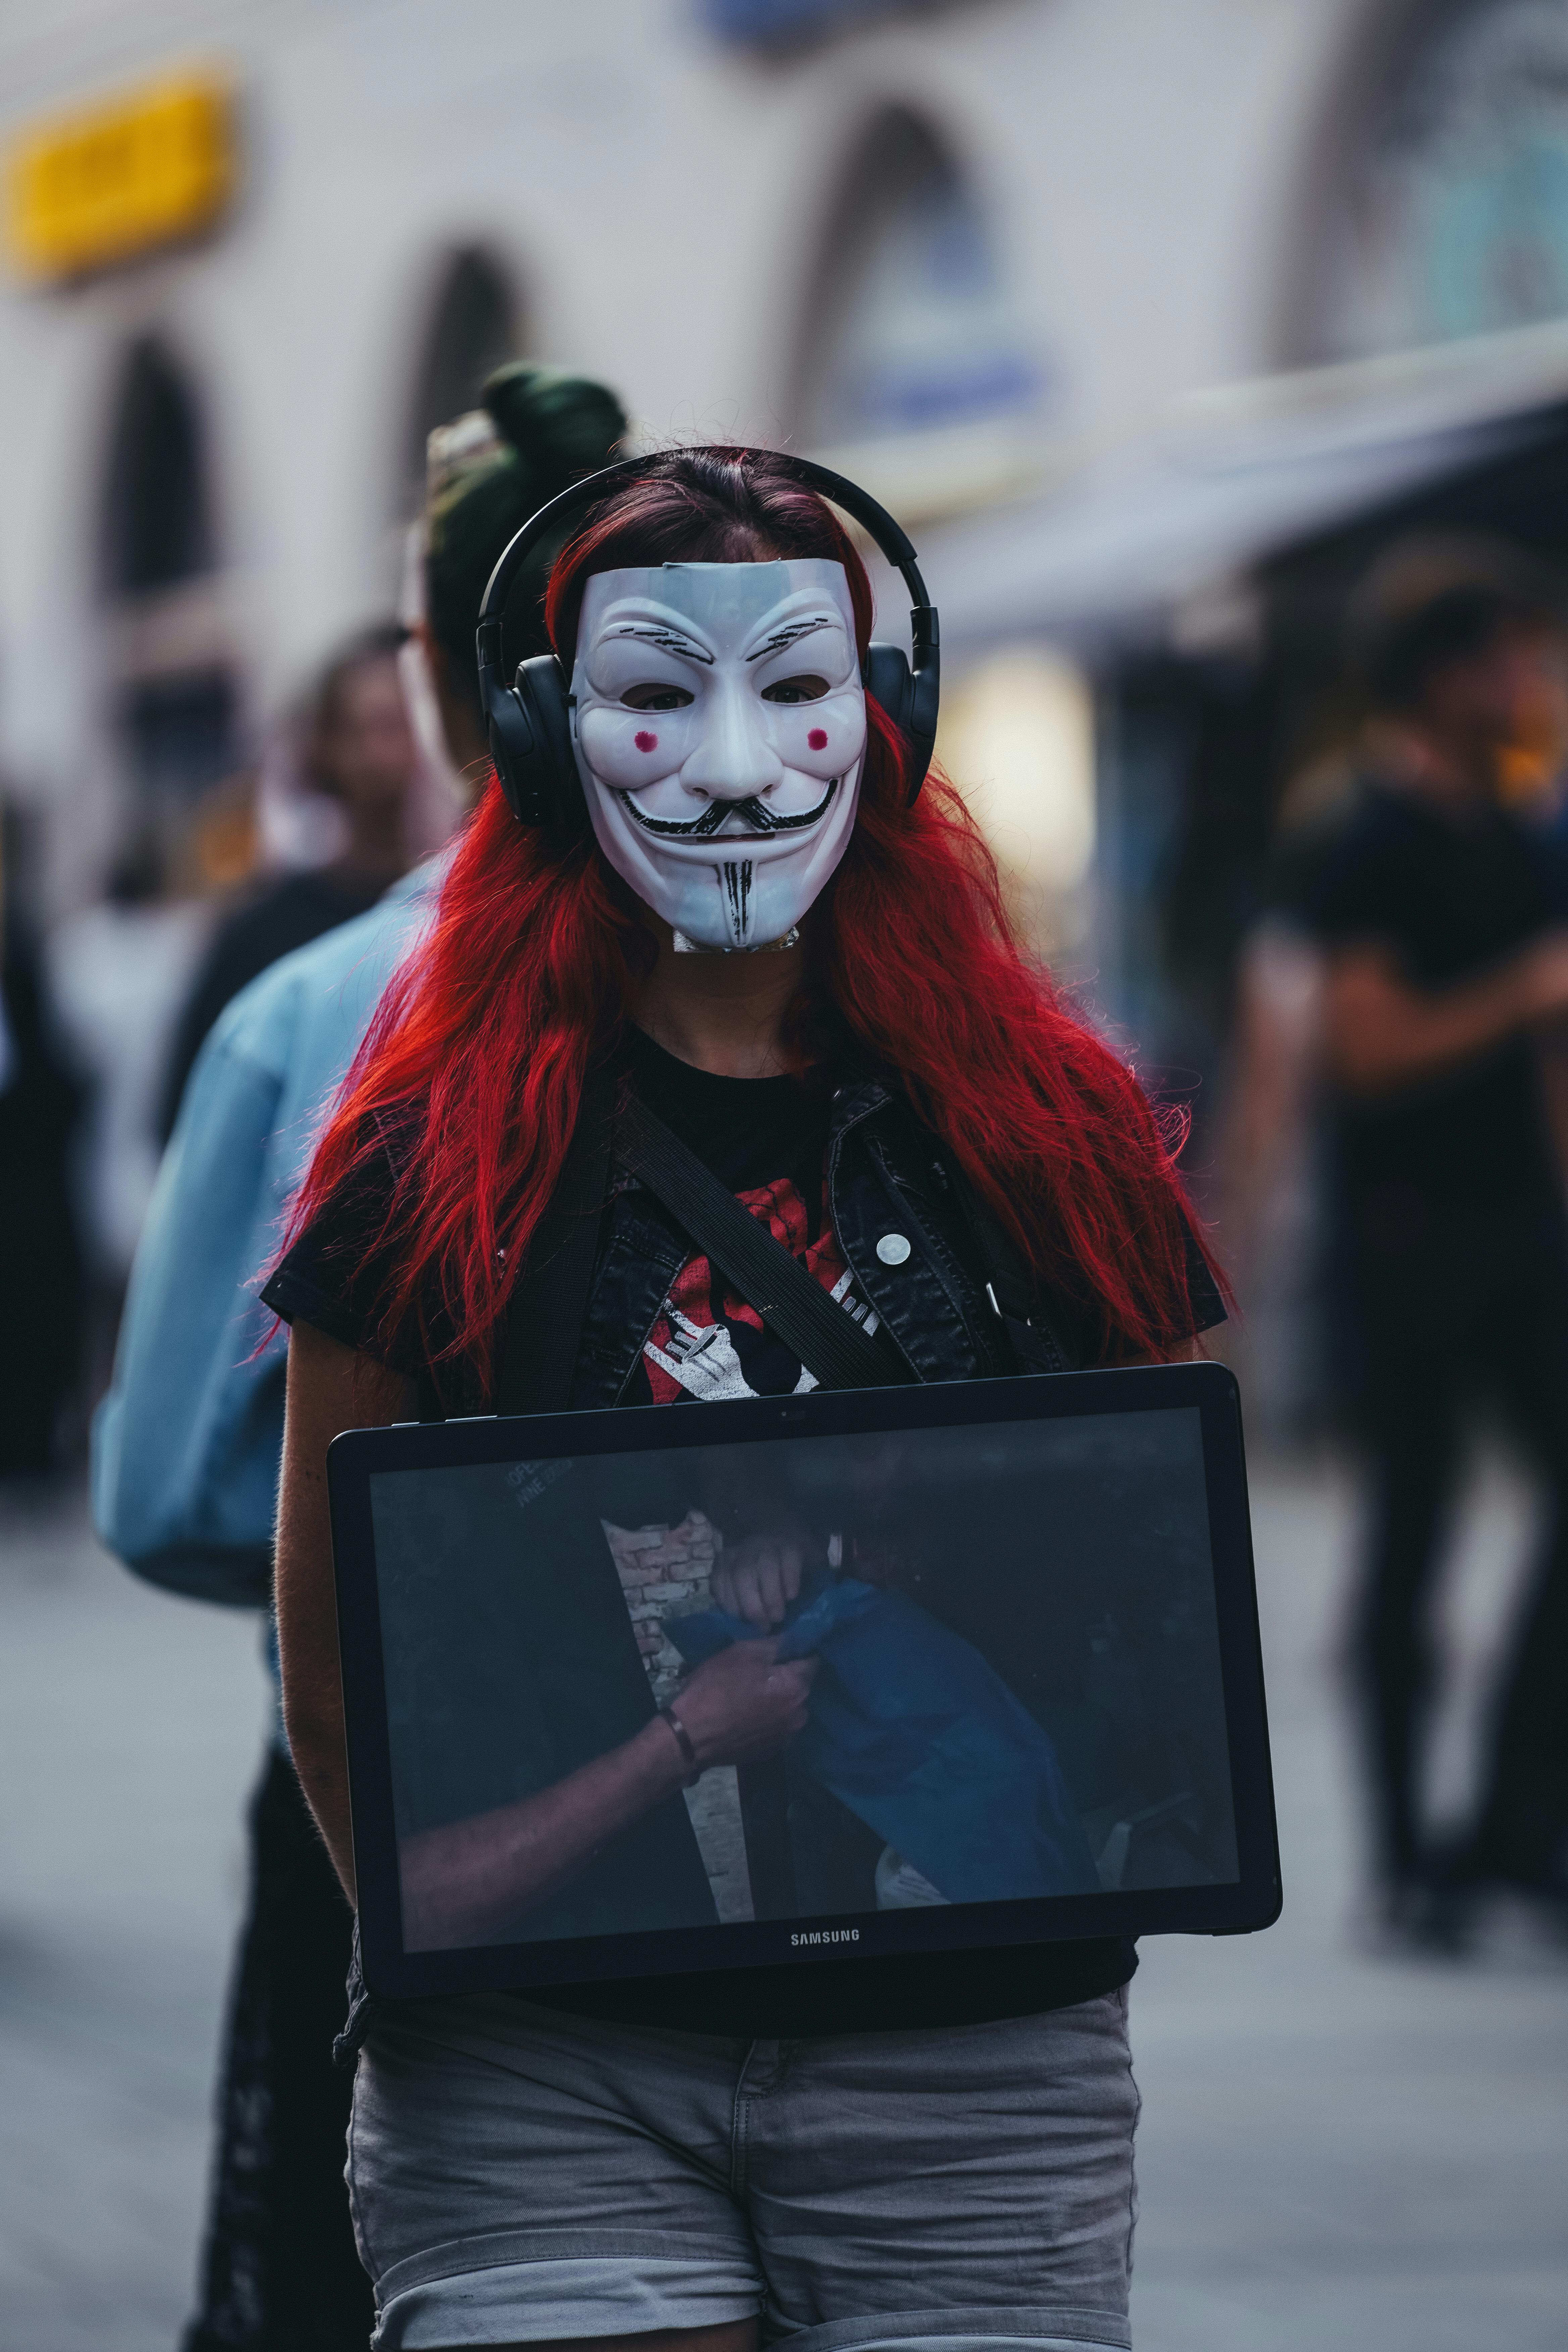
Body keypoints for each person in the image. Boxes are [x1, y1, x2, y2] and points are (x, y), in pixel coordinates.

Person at [265, 447, 1226, 2352]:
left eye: (794, 690)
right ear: (545, 741)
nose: (727, 765)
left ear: (885, 714)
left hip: (968, 2072)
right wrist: (476, 1950)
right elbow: (328, 1652)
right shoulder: (426, 1160)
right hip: (550, 2081)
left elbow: (1166, 1543)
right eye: (650, 697)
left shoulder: (1053, 1137)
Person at [91, 363, 629, 2352]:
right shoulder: (827, 986)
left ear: (429, 658)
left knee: (378, 2277)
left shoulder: (320, 1008)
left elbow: (160, 1494)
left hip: (381, 1784)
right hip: (763, 1786)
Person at [1292, 556, 1568, 1942]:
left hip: (1525, 1221)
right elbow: (1364, 1047)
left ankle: (1517, 1823)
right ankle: (1405, 1862)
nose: (1527, 683)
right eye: (1508, 658)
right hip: (1407, 1234)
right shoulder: (1367, 838)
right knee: (1413, 1534)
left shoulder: (1516, 833)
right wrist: (1517, 992)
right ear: (1442, 676)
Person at [160, 621, 422, 1135]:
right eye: (359, 731)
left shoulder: (480, 914)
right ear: (325, 748)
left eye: (400, 726)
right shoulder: (256, 938)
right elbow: (195, 1123)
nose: (382, 758)